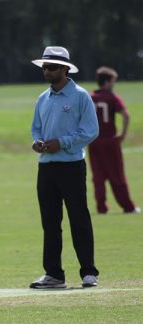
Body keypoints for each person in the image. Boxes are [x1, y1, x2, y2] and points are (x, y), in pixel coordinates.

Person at [29, 46, 100, 289]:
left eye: (52, 68)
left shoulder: (80, 96)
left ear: (65, 69)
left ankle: (89, 272)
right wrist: (37, 143)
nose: (47, 71)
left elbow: (90, 131)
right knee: (50, 222)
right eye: (45, 68)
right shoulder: (42, 98)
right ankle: (54, 274)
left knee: (79, 218)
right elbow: (36, 128)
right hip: (46, 168)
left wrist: (62, 143)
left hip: (71, 166)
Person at [89, 66, 140, 214]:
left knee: (98, 176)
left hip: (93, 142)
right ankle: (128, 207)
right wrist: (123, 134)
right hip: (110, 141)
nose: (113, 84)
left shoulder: (90, 97)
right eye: (113, 81)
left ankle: (101, 207)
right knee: (116, 175)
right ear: (107, 82)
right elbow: (126, 114)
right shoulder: (111, 97)